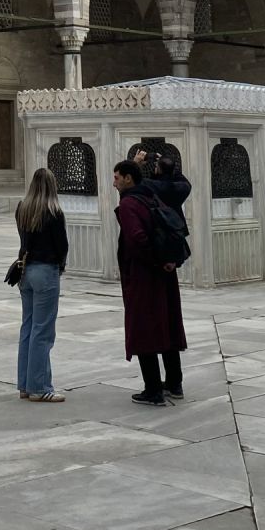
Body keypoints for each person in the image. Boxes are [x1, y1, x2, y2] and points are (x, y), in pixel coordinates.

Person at [113, 159, 188, 405]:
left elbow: (137, 239)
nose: (114, 182)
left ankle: (153, 390)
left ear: (128, 179)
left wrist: (156, 261)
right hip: (164, 273)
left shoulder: (129, 204)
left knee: (144, 328)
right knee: (166, 324)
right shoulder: (152, 196)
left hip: (145, 275)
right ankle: (174, 383)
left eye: (117, 177)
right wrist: (168, 261)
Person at [14, 166, 69, 403]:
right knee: (43, 331)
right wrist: (61, 265)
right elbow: (61, 246)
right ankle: (40, 386)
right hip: (45, 270)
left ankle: (25, 384)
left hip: (25, 270)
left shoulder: (22, 208)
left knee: (28, 327)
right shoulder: (53, 211)